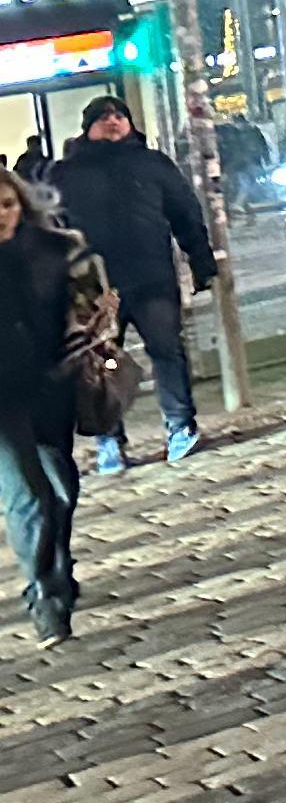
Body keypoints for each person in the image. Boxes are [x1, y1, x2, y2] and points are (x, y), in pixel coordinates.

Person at [48, 99, 214, 470]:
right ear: (88, 126)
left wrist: (200, 259)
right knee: (97, 363)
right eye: (103, 117)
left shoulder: (152, 164)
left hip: (151, 277)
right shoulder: (66, 173)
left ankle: (181, 425)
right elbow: (51, 228)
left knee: (167, 350)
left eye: (119, 115)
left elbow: (185, 213)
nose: (113, 121)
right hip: (96, 289)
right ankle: (109, 438)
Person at [0, 176, 108, 641]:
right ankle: (44, 596)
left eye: (7, 203)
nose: (1, 214)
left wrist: (89, 326)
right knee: (27, 494)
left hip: (51, 384)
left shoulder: (59, 249)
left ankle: (58, 575)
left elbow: (93, 307)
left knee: (61, 490)